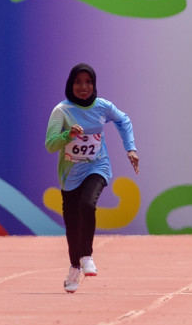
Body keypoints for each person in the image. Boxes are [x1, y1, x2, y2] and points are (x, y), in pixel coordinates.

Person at [45, 63, 138, 294]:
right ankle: (74, 268)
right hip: (69, 176)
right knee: (72, 226)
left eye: (88, 82)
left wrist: (131, 148)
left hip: (98, 166)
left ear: (94, 84)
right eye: (78, 82)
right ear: (70, 84)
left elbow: (123, 120)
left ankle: (87, 256)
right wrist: (69, 135)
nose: (84, 87)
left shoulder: (102, 106)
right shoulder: (62, 111)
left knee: (88, 204)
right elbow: (50, 145)